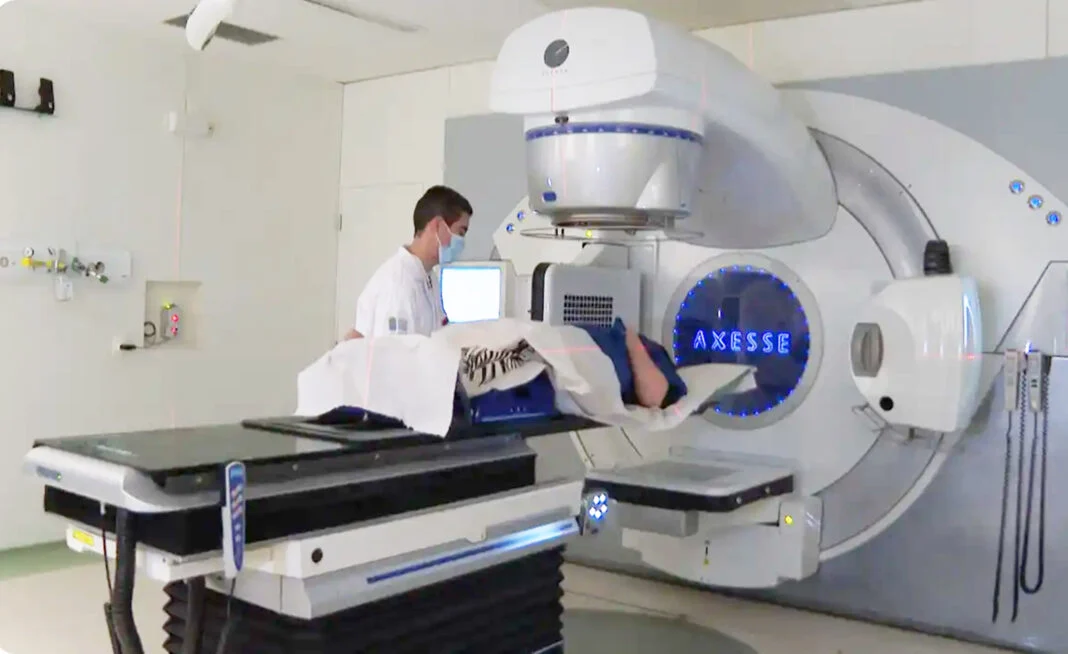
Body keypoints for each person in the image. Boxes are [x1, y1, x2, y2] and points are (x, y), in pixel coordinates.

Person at [344, 185, 473, 340]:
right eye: (460, 232)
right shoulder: (397, 284)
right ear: (438, 226)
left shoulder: (428, 278)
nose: (462, 242)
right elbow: (395, 352)